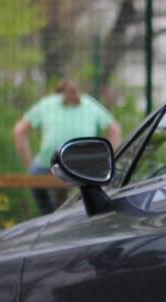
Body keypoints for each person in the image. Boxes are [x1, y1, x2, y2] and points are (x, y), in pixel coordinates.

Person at [13, 79, 121, 215]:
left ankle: (67, 215)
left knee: (91, 186)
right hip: (49, 165)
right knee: (34, 175)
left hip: (83, 166)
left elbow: (114, 129)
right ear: (61, 91)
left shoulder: (89, 105)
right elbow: (19, 130)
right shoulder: (48, 104)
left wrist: (106, 158)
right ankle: (49, 215)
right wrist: (29, 162)